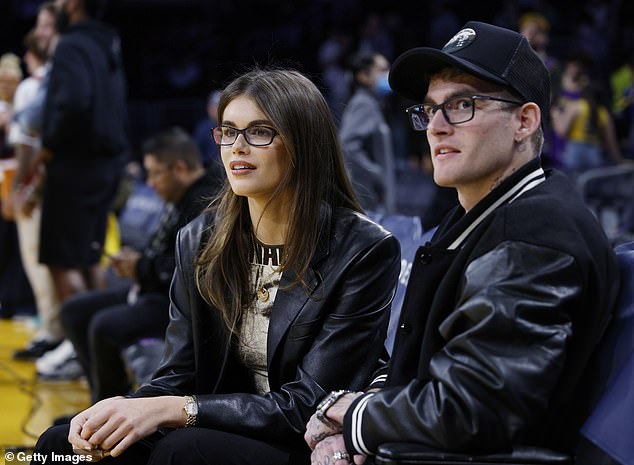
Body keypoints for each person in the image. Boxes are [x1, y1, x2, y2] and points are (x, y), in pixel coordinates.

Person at [32, 68, 401, 465]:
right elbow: (177, 373)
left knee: (183, 450)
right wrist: (122, 409)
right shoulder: (199, 238)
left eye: (260, 132)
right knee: (60, 446)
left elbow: (308, 404)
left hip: (303, 441)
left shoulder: (364, 250)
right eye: (228, 131)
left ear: (304, 143)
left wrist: (181, 409)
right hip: (215, 423)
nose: (237, 147)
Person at [304, 21, 621, 465]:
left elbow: (477, 405)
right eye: (429, 110)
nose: (435, 127)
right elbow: (426, 367)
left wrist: (357, 420)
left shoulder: (534, 230)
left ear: (525, 121)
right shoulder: (486, 213)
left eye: (462, 105)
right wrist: (363, 415)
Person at [58, 126, 221, 400]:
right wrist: (138, 261)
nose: (150, 182)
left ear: (179, 168)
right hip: (152, 287)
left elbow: (189, 268)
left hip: (177, 301)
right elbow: (163, 252)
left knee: (104, 326)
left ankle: (110, 410)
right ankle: (99, 401)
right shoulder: (179, 197)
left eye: (155, 173)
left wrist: (141, 266)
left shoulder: (205, 201)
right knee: (74, 312)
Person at [39, 0, 129, 303]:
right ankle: (96, 345)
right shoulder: (109, 43)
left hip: (73, 165)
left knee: (61, 259)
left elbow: (74, 102)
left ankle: (75, 344)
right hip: (107, 164)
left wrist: (49, 143)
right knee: (89, 258)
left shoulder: (71, 44)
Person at [339, 51, 396, 215]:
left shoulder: (373, 103)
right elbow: (347, 144)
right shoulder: (363, 104)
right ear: (363, 76)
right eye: (382, 69)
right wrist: (377, 175)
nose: (387, 74)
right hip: (369, 201)